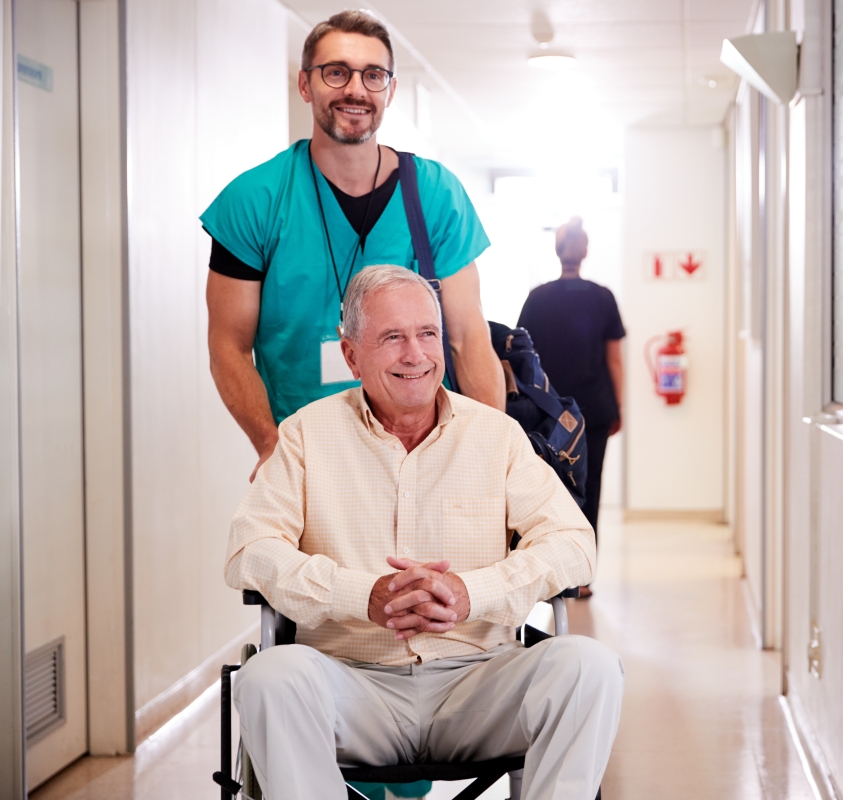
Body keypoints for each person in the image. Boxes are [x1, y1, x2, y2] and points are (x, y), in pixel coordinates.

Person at [226, 266, 624, 800]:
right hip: (351, 685)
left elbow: (574, 544)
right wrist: (359, 595)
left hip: (478, 685)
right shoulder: (304, 436)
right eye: (392, 337)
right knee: (268, 678)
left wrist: (471, 593)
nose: (416, 354)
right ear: (351, 355)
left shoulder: (497, 436)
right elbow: (250, 551)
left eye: (428, 334)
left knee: (590, 666)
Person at [202, 10, 504, 483]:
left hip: (428, 459)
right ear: (305, 85)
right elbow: (228, 343)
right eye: (336, 72)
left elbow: (468, 337)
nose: (356, 90)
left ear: (390, 90)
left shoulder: (435, 195)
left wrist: (492, 453)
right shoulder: (254, 200)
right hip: (309, 459)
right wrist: (270, 444)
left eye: (373, 75)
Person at [518, 218, 625, 596]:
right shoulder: (603, 297)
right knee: (589, 486)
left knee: (548, 491)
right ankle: (581, 577)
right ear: (585, 251)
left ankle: (554, 575)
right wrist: (619, 407)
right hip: (593, 410)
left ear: (557, 250)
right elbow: (614, 359)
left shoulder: (537, 298)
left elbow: (521, 358)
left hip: (546, 413)